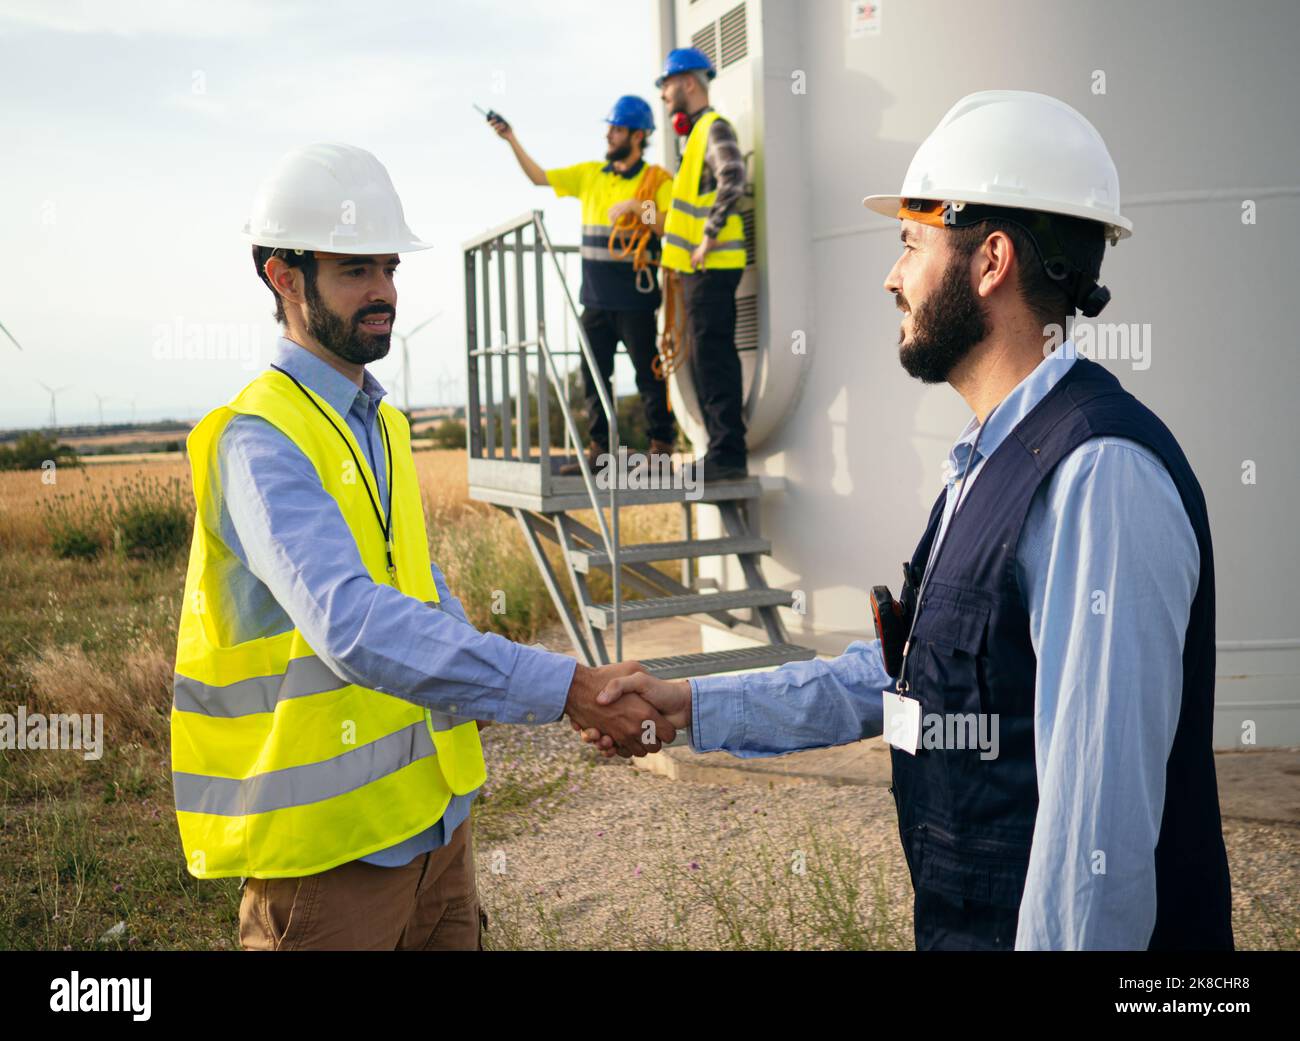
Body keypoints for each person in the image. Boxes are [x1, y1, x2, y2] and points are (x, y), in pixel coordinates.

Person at [581, 91, 1234, 951]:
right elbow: (904, 691)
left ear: (990, 259)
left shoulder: (1098, 475)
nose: (892, 278)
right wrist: (691, 703)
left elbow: (1094, 850)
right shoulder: (990, 459)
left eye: (910, 245)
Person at [171, 142, 672, 951]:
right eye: (356, 271)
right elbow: (354, 625)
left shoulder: (383, 423)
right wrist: (562, 685)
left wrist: (538, 692)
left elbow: (422, 589)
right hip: (332, 862)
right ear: (283, 278)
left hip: (440, 829)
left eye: (390, 269)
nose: (385, 295)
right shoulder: (258, 439)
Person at [486, 97, 678, 475]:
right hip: (595, 299)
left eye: (617, 129)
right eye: (609, 128)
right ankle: (600, 455)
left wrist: (638, 209)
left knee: (648, 373)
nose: (609, 134)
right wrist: (511, 139)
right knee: (593, 376)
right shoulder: (591, 174)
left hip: (636, 299)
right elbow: (540, 178)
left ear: (638, 136)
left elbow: (667, 224)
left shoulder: (655, 180)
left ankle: (661, 451)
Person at [657, 47, 749, 482]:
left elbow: (734, 176)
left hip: (712, 265)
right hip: (698, 270)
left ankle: (727, 454)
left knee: (714, 357)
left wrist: (709, 235)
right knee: (706, 356)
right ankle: (721, 449)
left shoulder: (713, 128)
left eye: (667, 84)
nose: (663, 94)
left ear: (688, 83)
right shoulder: (694, 137)